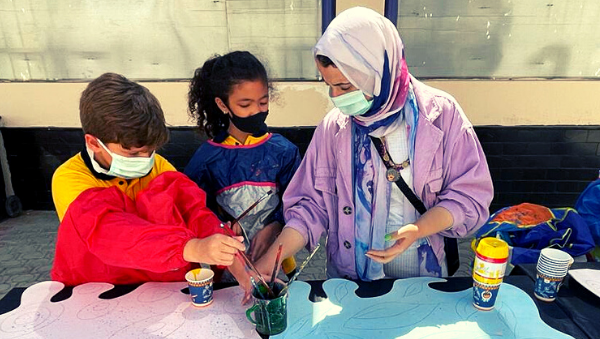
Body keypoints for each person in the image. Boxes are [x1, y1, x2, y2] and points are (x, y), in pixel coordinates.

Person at [255, 7, 493, 281]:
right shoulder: (335, 128)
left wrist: (420, 229)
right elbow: (310, 205)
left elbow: (470, 196)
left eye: (345, 87)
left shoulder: (441, 116)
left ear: (376, 72)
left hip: (423, 278)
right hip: (353, 283)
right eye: (329, 86)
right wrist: (271, 260)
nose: (336, 97)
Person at [51, 72, 249, 288]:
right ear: (93, 143)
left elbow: (193, 211)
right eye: (134, 153)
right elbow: (112, 233)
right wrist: (193, 248)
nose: (146, 159)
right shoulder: (70, 179)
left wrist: (230, 257)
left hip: (159, 285)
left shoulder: (159, 166)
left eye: (151, 150)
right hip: (98, 288)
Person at [184, 51, 301, 278]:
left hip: (277, 255)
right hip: (230, 262)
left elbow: (299, 201)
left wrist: (276, 225)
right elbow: (195, 209)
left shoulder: (284, 151)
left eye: (263, 102)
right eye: (245, 104)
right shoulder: (207, 158)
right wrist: (220, 225)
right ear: (222, 104)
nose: (256, 111)